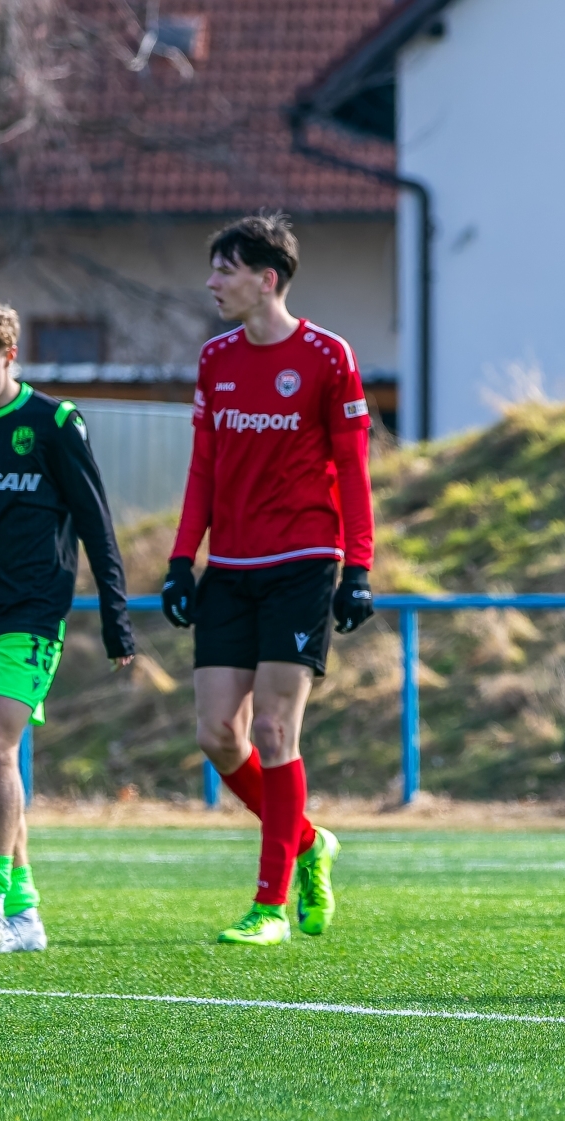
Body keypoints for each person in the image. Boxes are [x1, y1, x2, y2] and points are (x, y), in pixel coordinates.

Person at [161, 213, 375, 946]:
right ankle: (310, 841)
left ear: (267, 278)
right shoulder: (215, 359)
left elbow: (352, 470)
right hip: (229, 569)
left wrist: (359, 566)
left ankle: (269, 907)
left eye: (225, 270)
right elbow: (204, 469)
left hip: (303, 565)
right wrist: (181, 559)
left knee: (276, 729)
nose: (212, 283)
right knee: (218, 734)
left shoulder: (327, 356)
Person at [0, 288, 135, 955]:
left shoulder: (53, 422)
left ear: (9, 354)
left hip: (29, 615)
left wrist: (115, 615)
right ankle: (26, 912)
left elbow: (95, 523)